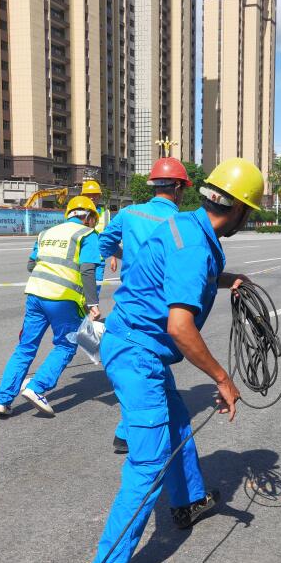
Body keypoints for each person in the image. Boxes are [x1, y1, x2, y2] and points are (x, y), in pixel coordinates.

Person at [82, 158, 264, 563]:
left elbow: (170, 274)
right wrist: (223, 379)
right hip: (138, 355)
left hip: (134, 345)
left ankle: (187, 502)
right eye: (251, 213)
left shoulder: (185, 225)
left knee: (179, 421)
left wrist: (228, 281)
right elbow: (181, 327)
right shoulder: (195, 247)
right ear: (239, 210)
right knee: (148, 462)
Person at [98, 156, 192, 454]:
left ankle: (126, 432)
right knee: (151, 364)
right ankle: (132, 434)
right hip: (163, 302)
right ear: (178, 187)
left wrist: (126, 257)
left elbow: (103, 244)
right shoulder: (182, 222)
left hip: (130, 300)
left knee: (143, 365)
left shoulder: (129, 214)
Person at [0, 196, 102, 417]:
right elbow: (88, 270)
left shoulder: (47, 234)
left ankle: (2, 400)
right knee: (66, 345)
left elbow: (31, 264)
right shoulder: (87, 235)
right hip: (62, 298)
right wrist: (93, 304)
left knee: (25, 346)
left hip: (35, 294)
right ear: (88, 217)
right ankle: (37, 388)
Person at [81, 179, 111, 291]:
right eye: (89, 195)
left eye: (95, 195)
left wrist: (113, 257)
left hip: (99, 259)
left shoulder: (105, 214)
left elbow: (111, 236)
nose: (92, 198)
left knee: (94, 292)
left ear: (99, 196)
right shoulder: (77, 212)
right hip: (81, 258)